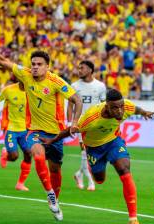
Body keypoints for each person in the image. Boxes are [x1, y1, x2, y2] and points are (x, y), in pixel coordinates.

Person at [0, 35, 82, 221]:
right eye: (33, 63)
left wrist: (74, 122)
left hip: (56, 134)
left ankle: (55, 200)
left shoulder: (56, 82)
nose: (34, 67)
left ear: (47, 66)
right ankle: (49, 193)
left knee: (56, 170)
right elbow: (2, 61)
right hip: (34, 130)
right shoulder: (25, 74)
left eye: (39, 64)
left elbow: (77, 100)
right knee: (38, 154)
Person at [41, 89, 154, 224]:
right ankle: (91, 166)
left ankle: (133, 218)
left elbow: (136, 109)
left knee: (124, 169)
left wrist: (144, 113)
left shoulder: (126, 107)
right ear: (106, 106)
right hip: (94, 148)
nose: (120, 111)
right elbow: (70, 130)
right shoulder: (91, 118)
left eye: (121, 106)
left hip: (113, 141)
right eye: (115, 108)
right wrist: (52, 140)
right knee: (99, 179)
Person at [67, 60, 106, 191]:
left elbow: (104, 105)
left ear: (90, 70)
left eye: (82, 68)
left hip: (95, 125)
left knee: (92, 154)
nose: (79, 70)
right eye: (79, 68)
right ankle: (90, 181)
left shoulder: (100, 86)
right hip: (80, 124)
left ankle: (79, 174)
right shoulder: (74, 85)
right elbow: (70, 105)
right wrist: (69, 121)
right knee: (85, 153)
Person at [0, 79, 32, 191]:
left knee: (28, 154)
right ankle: (6, 154)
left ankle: (20, 184)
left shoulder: (33, 90)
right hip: (11, 128)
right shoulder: (9, 90)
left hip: (25, 129)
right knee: (14, 157)